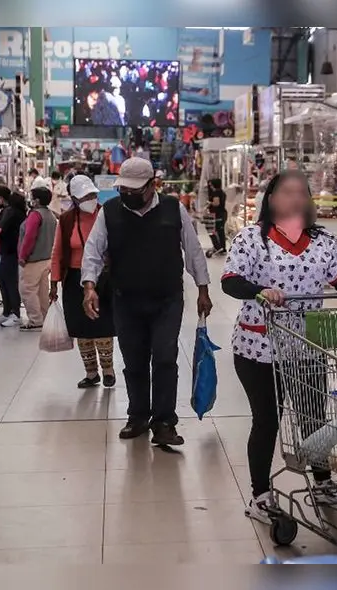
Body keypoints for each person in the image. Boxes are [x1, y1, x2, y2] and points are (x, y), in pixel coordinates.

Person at [221, 169, 337, 523]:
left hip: (307, 346)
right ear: (271, 199)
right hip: (259, 346)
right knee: (267, 421)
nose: (295, 198)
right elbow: (231, 281)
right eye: (287, 192)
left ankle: (322, 483)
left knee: (313, 418)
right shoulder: (251, 239)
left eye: (302, 192)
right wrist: (259, 291)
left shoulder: (324, 241)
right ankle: (260, 495)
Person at [81, 158, 212, 446]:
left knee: (165, 358)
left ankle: (164, 421)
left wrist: (203, 289)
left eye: (134, 191)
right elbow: (93, 249)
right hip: (126, 300)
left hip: (167, 299)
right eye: (123, 191)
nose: (127, 196)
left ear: (153, 185)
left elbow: (192, 251)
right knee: (134, 360)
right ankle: (138, 415)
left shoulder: (173, 209)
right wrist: (89, 286)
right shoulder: (110, 212)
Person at [50, 175, 116, 388]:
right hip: (75, 279)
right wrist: (54, 282)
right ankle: (91, 373)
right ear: (75, 199)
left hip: (103, 278)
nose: (90, 199)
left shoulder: (107, 214)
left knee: (103, 324)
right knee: (82, 328)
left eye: (92, 195)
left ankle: (108, 370)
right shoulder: (67, 220)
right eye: (85, 196)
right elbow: (58, 251)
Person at [17, 183, 56, 331]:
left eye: (32, 197)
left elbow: (29, 237)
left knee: (27, 290)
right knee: (41, 290)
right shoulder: (51, 215)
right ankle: (44, 317)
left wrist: (23, 256)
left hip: (32, 259)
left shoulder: (35, 215)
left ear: (37, 200)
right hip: (46, 259)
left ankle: (35, 320)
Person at [0, 185, 27, 327]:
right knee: (3, 279)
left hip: (11, 252)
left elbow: (1, 230)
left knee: (9, 282)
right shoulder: (14, 212)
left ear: (1, 198)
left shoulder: (10, 212)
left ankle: (15, 313)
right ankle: (7, 311)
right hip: (9, 251)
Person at [206, 178, 228, 256]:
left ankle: (218, 247)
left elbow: (216, 203)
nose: (210, 186)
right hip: (222, 213)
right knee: (220, 231)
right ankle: (222, 248)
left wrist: (209, 202)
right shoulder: (222, 192)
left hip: (217, 214)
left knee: (211, 230)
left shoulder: (215, 192)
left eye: (211, 184)